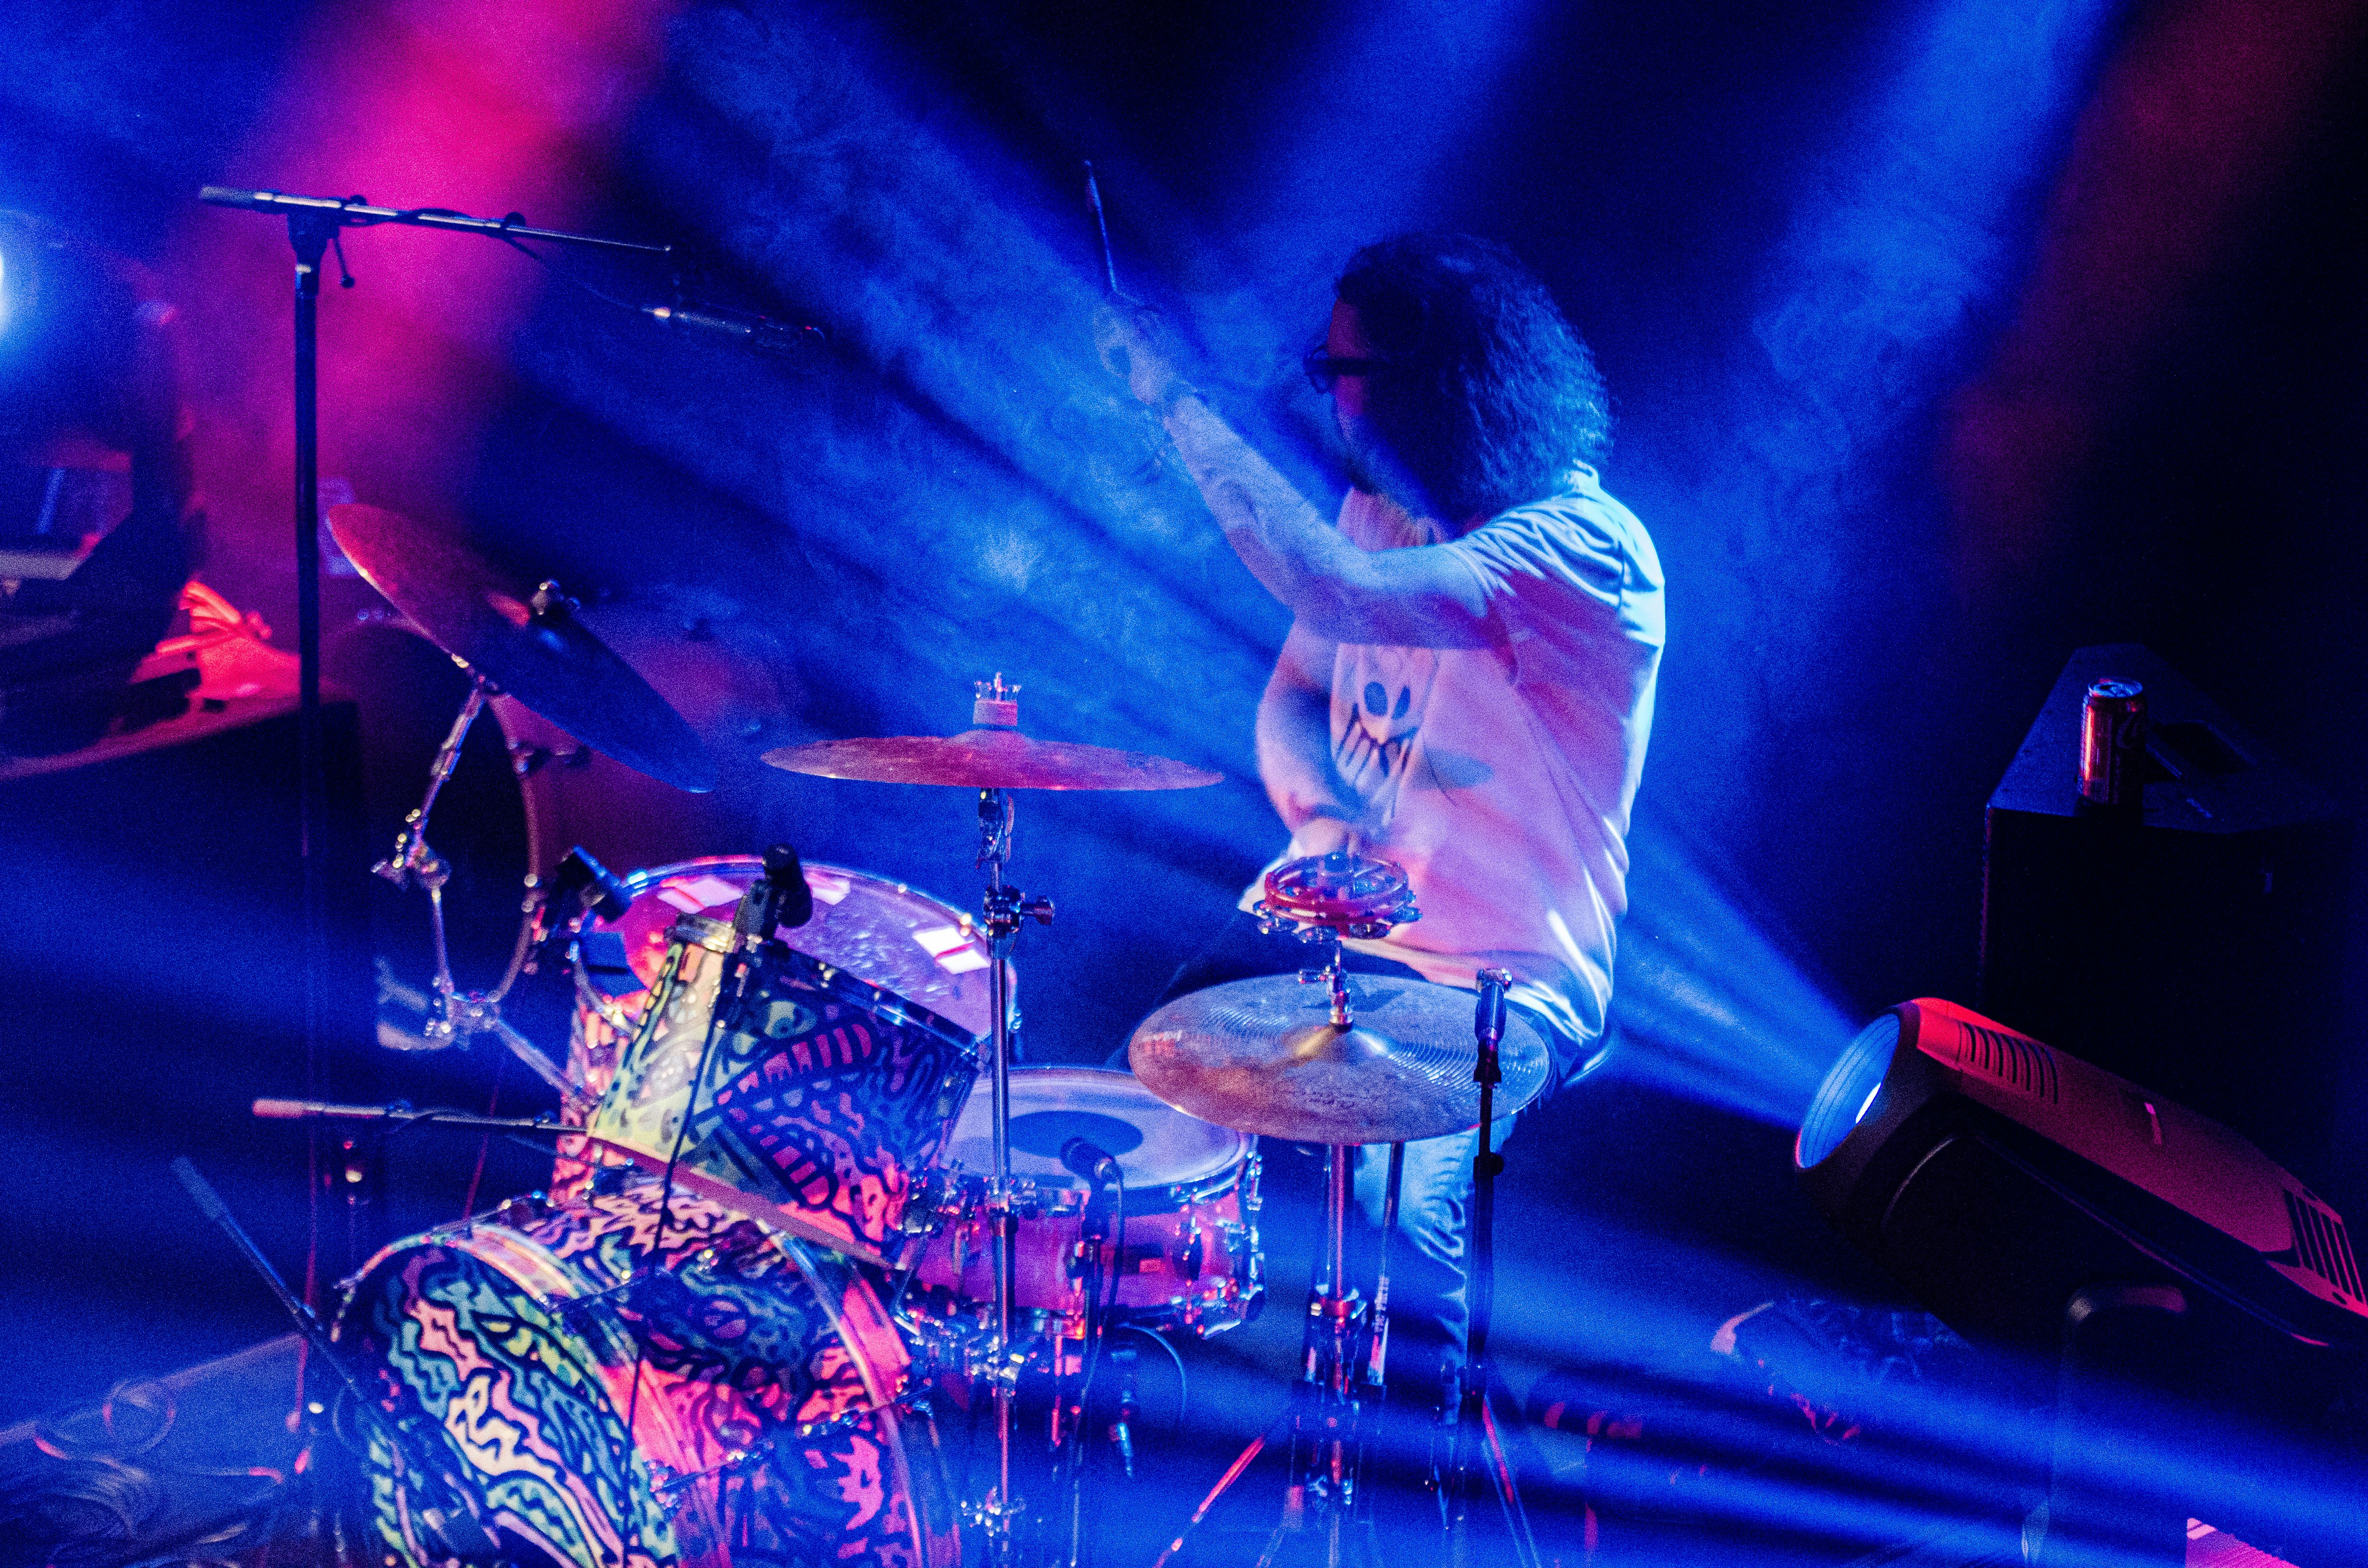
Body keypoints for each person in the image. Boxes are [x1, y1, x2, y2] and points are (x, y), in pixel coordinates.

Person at [1098, 233, 1665, 1412]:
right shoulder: (1384, 511)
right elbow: (1297, 699)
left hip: (1487, 979)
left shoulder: (1582, 553)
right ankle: (1135, 1442)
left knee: (1398, 1222)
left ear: (1435, 390)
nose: (1332, 401)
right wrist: (1325, 810)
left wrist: (1176, 408)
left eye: (1341, 375)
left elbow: (1338, 597)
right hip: (1329, 939)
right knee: (1114, 1130)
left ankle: (1420, 1494)